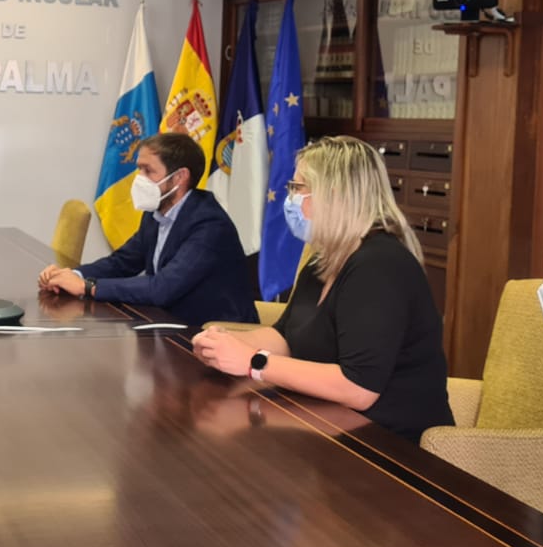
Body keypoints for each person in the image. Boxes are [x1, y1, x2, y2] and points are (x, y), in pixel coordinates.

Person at [189, 136, 451, 442]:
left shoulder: (380, 265)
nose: (290, 198)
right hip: (327, 425)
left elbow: (358, 388)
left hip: (391, 448)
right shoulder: (325, 259)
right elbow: (285, 336)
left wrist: (252, 362)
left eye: (298, 188)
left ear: (334, 195)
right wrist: (224, 342)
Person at [37, 132, 254, 327]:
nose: (139, 178)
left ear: (180, 177)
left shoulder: (209, 224)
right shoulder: (155, 211)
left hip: (218, 332)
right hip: (169, 323)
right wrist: (72, 275)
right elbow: (123, 262)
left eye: (148, 170)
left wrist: (87, 286)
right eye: (139, 168)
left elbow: (163, 288)